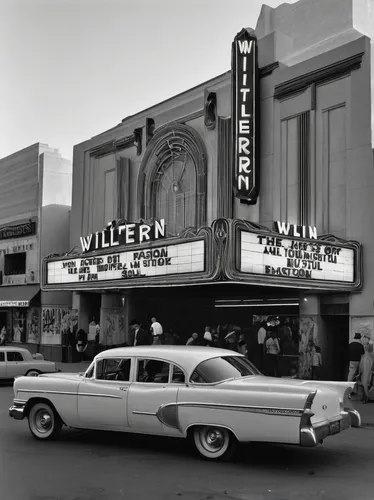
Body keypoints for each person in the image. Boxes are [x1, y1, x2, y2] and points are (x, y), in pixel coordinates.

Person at [358, 336, 374, 403]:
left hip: (366, 368)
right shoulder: (368, 357)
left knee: (366, 381)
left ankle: (366, 396)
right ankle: (366, 396)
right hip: (366, 368)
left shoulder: (367, 357)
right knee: (365, 381)